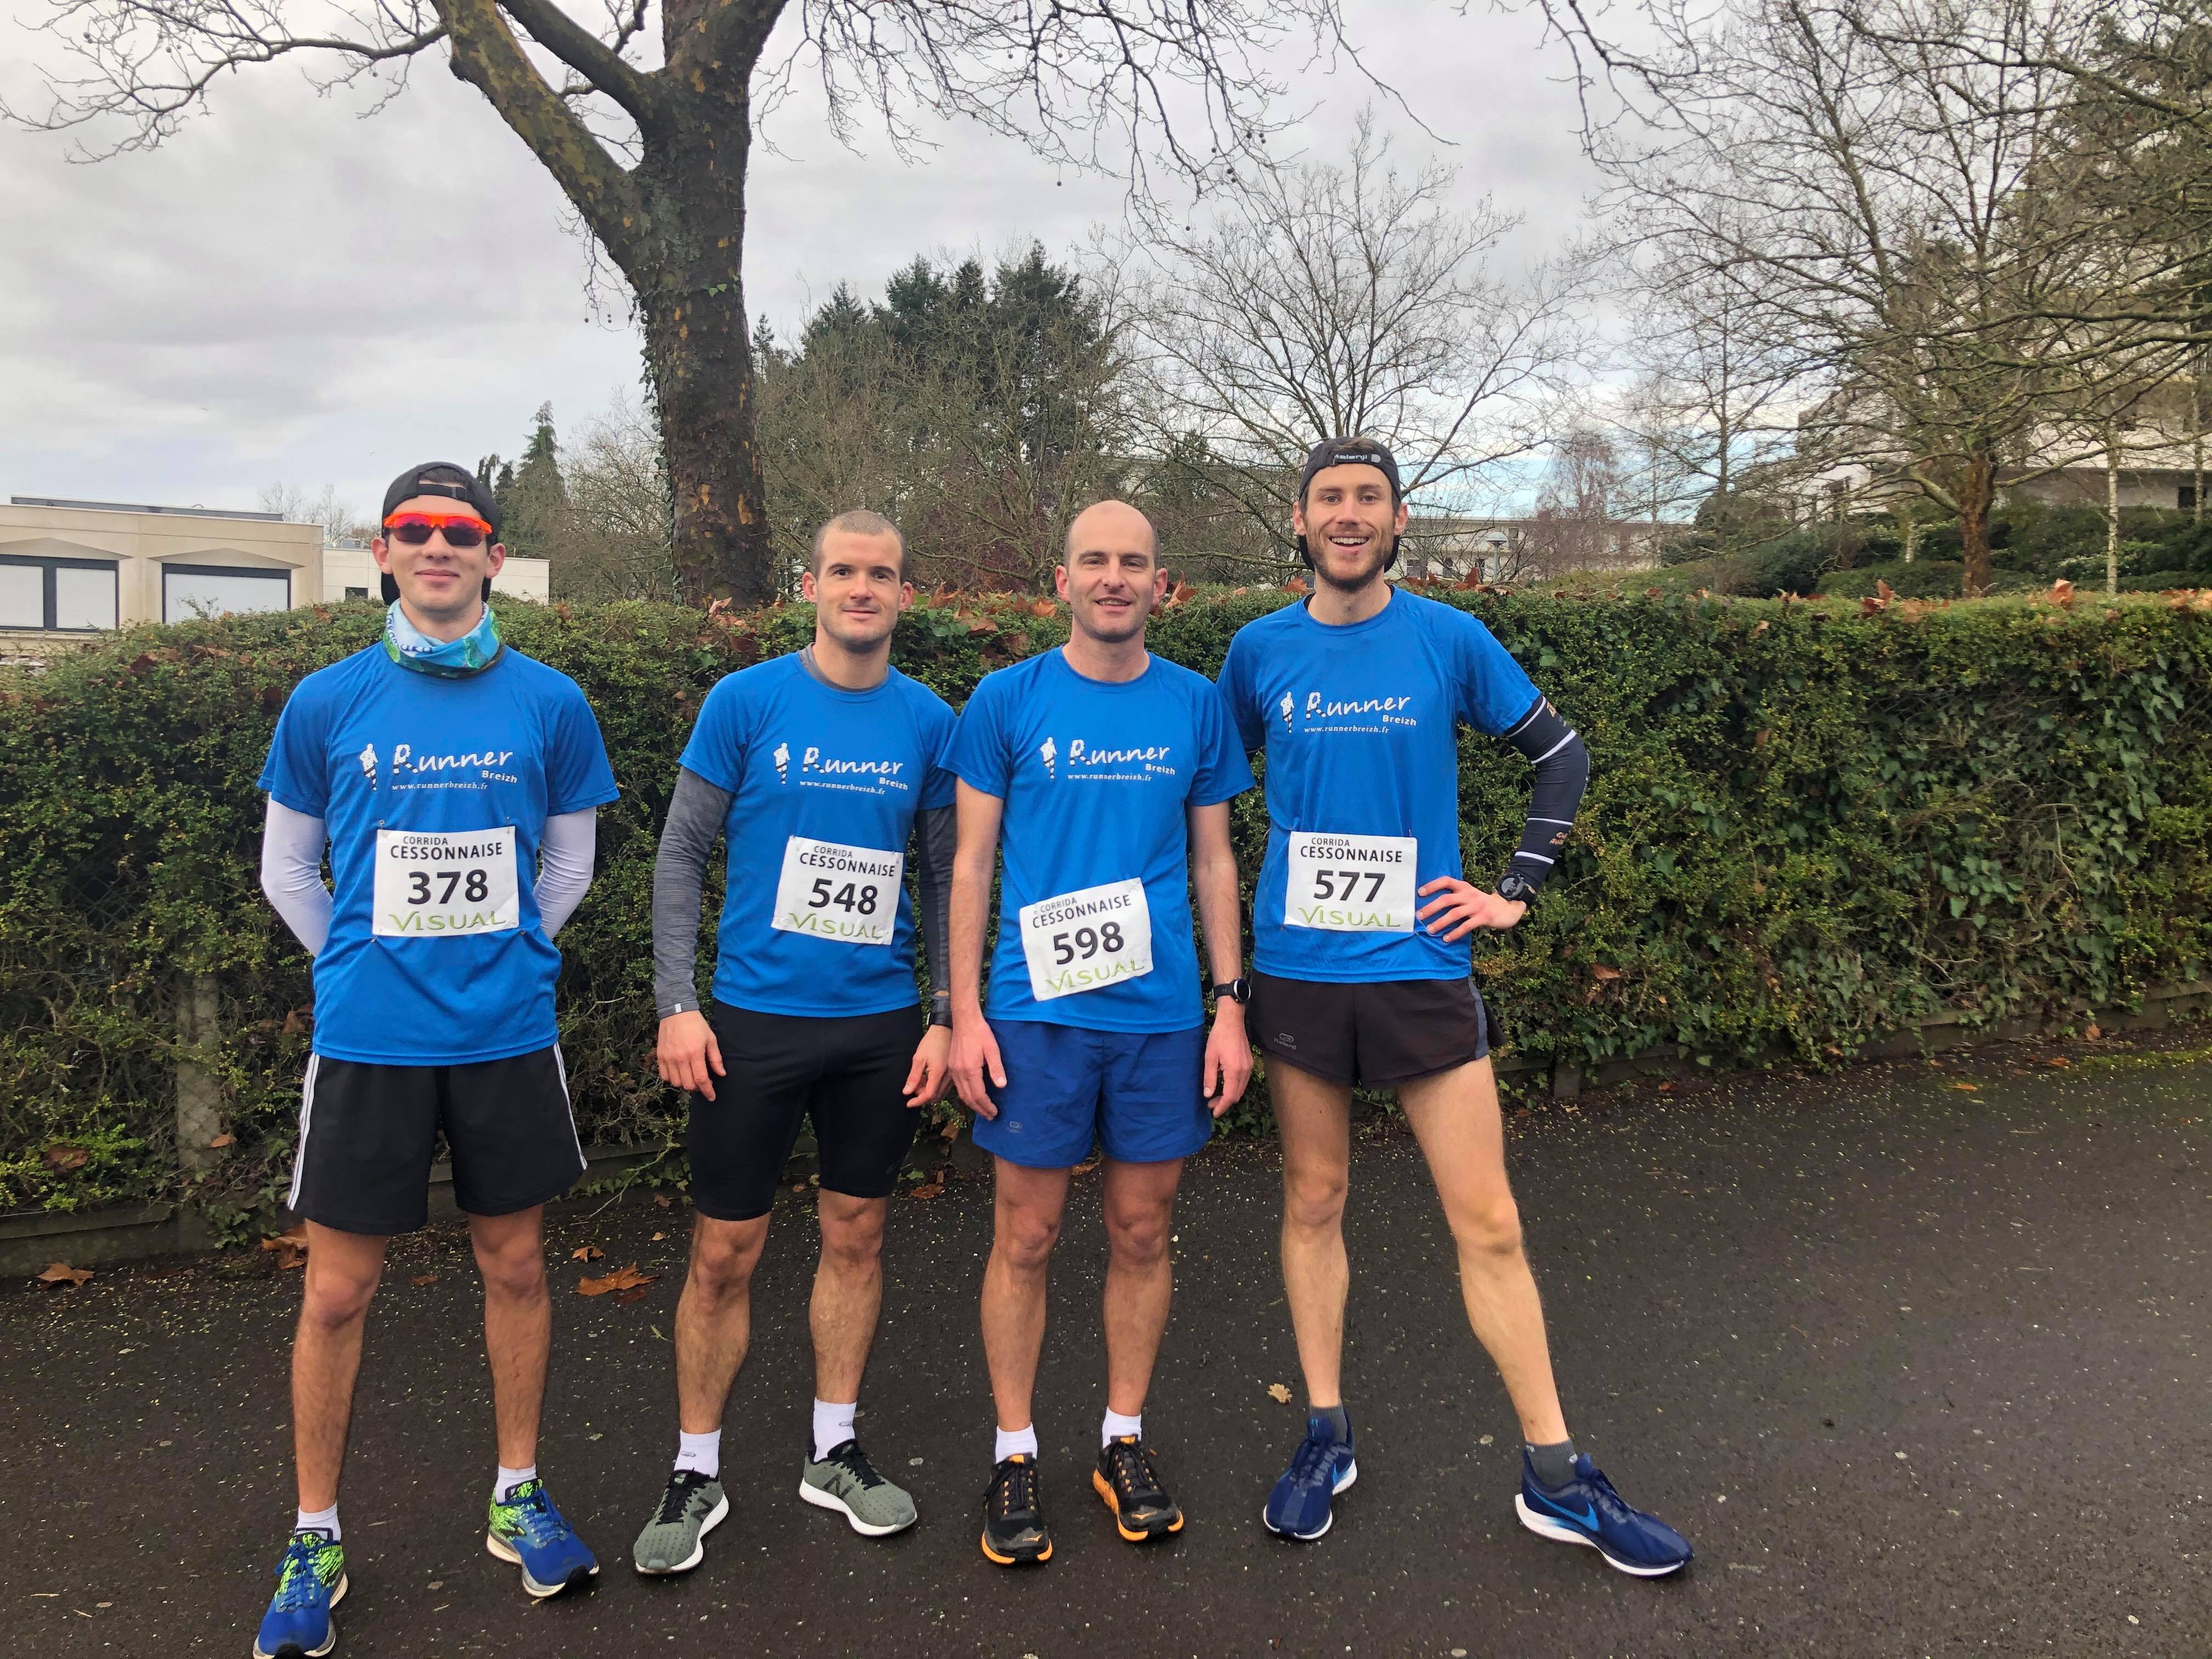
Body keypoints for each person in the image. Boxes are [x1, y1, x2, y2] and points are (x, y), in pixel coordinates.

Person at [1217, 437, 1692, 1576]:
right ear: (1299, 521)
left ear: (1398, 519)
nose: (1348, 515)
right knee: (1314, 1201)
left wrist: (1512, 891)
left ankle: (1557, 1474)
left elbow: (1560, 755)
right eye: (1329, 498)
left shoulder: (1448, 638)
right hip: (1300, 970)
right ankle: (1324, 1436)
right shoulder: (1258, 650)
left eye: (1368, 498)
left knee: (1489, 1222)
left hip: (1421, 967)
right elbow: (1209, 799)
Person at [252, 462, 618, 1658]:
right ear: (384, 552)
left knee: (515, 1266)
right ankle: (315, 1535)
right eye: (415, 530)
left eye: (461, 531)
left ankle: (518, 1493)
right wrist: (357, 962)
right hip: (371, 1040)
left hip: (505, 1036)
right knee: (336, 1290)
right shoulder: (327, 700)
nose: (438, 547)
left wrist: (512, 953)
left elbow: (570, 865)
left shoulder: (551, 701)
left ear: (494, 556)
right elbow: (287, 870)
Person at [631, 510, 958, 1577]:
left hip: (878, 1029)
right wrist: (676, 1002)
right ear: (809, 585)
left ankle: (835, 1449)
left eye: (883, 574)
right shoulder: (746, 701)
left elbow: (947, 877)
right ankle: (695, 1468)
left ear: (905, 594)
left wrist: (946, 1013)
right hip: (752, 1023)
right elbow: (681, 854)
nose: (863, 588)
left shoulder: (930, 721)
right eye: (845, 571)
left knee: (857, 1235)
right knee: (724, 1250)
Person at [946, 499, 1254, 1567]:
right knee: (1025, 1237)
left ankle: (1123, 1437)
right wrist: (964, 1014)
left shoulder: (1197, 705)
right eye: (1094, 560)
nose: (1114, 577)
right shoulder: (1006, 700)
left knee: (1142, 1231)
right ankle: (1014, 1450)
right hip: (1036, 1016)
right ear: (1063, 581)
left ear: (1161, 585)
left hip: (1162, 1019)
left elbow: (1214, 860)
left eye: (1133, 562)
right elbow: (969, 864)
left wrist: (1230, 1002)